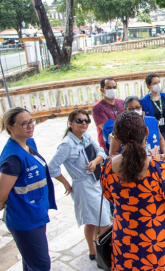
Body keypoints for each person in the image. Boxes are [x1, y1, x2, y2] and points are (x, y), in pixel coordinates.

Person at [100, 111, 165, 270]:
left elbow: (109, 196)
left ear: (117, 137)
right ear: (146, 131)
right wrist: (157, 164)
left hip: (124, 240)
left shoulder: (107, 167)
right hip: (154, 242)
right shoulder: (160, 169)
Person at [48, 109, 110, 262]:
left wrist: (95, 162)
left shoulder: (86, 137)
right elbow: (52, 167)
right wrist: (66, 184)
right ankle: (104, 251)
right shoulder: (66, 145)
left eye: (86, 120)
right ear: (71, 124)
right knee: (103, 222)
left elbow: (102, 152)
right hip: (83, 185)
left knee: (93, 220)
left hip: (95, 181)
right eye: (79, 121)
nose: (83, 123)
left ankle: (94, 251)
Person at [0, 107, 57, 271]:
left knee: (31, 262)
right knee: (41, 265)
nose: (30, 126)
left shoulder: (28, 143)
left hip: (36, 212)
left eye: (31, 121)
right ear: (10, 127)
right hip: (25, 219)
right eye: (23, 124)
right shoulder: (13, 158)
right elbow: (1, 195)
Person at [109, 96, 165, 160]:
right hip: (133, 166)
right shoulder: (121, 126)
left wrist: (164, 153)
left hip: (155, 162)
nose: (135, 110)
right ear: (125, 110)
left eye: (137, 107)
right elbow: (113, 153)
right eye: (131, 109)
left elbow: (160, 138)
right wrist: (130, 160)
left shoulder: (152, 121)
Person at [141, 73, 165, 161]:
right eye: (154, 83)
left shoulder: (164, 96)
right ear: (149, 86)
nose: (158, 85)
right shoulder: (144, 101)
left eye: (159, 82)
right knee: (154, 157)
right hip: (153, 132)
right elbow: (143, 117)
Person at [91, 78, 124, 153]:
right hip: (108, 146)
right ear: (102, 90)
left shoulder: (122, 103)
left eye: (114, 87)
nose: (112, 90)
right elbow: (107, 128)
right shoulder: (97, 107)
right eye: (109, 88)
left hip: (124, 143)